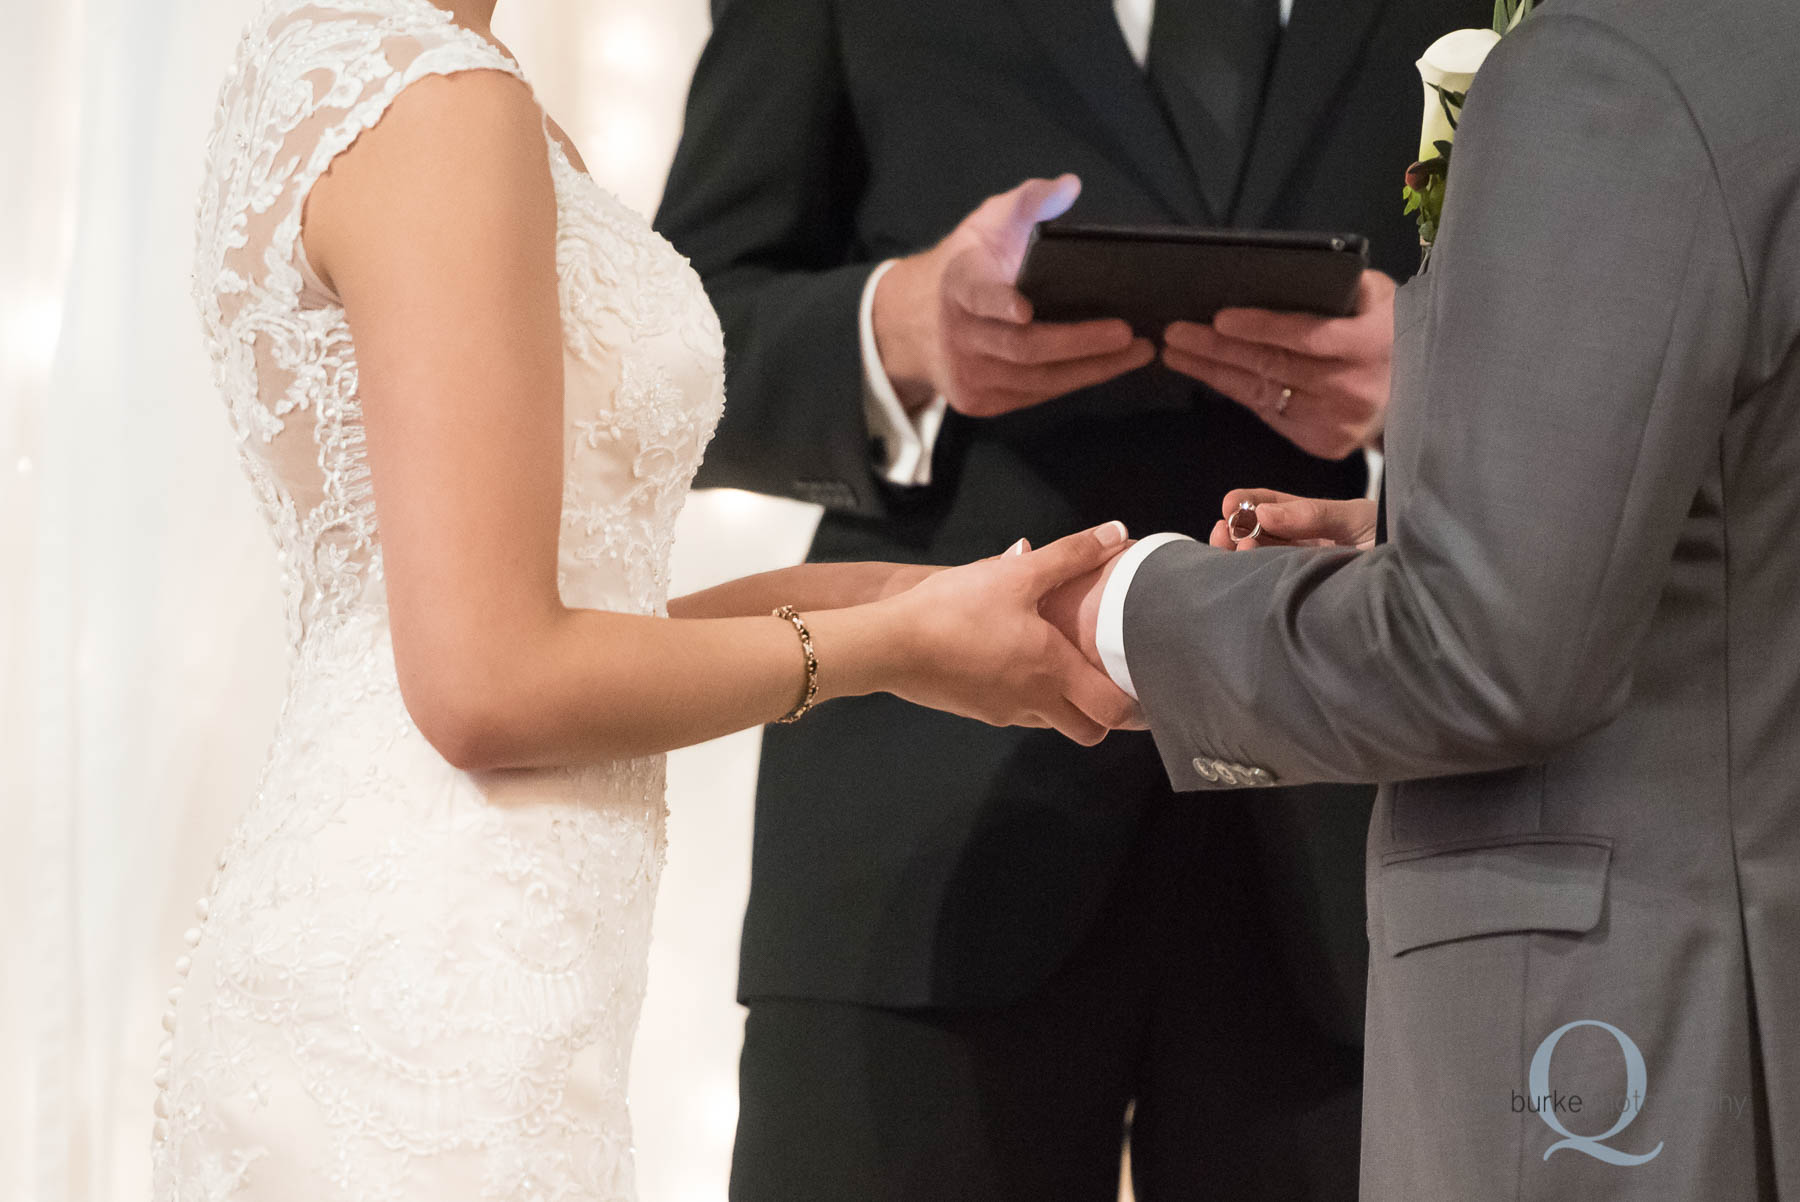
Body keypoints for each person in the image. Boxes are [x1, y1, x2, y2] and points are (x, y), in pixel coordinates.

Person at [152, 1, 1138, 1198]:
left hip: (440, 929)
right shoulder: (436, 102)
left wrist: (912, 610)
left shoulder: (340, 66)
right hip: (435, 978)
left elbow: (546, 618)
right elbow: (487, 682)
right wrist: (879, 648)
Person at [654, 0, 1486, 1197]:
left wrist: (1447, 374)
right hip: (919, 828)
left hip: (1354, 823)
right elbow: (676, 337)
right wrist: (900, 328)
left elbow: (1626, 307)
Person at [1052, 0, 1800, 1196]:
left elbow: (1484, 650)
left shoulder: (1615, 60)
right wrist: (1445, 520)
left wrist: (1122, 610)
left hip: (1634, 1039)